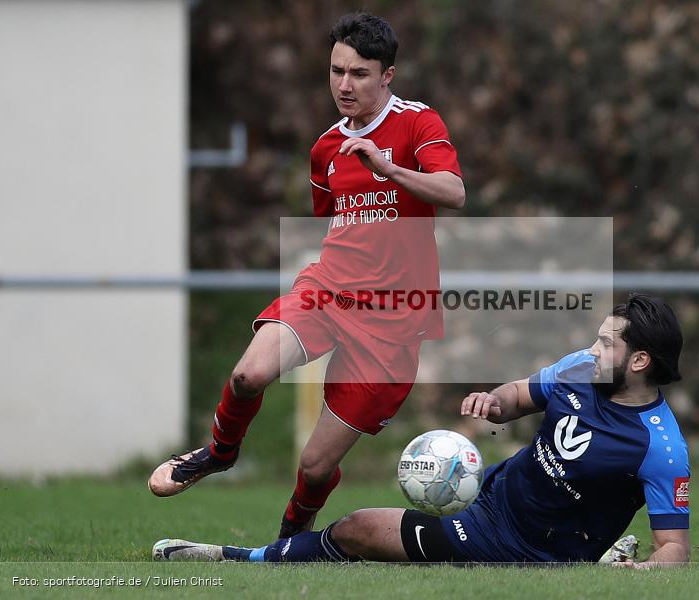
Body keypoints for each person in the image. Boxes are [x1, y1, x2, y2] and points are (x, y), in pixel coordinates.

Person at [148, 11, 465, 540]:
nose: (344, 84)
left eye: (359, 73)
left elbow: (453, 192)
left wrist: (389, 170)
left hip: (391, 324)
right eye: (337, 70)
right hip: (328, 290)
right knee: (248, 374)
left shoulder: (418, 123)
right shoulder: (325, 148)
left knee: (316, 466)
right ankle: (220, 453)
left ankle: (292, 536)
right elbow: (333, 219)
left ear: (388, 74)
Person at [153, 294, 691, 567]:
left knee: (358, 528)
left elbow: (674, 550)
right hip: (495, 493)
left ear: (640, 361)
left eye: (607, 345)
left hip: (513, 546)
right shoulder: (580, 369)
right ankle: (596, 553)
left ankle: (236, 559)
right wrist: (492, 403)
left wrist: (641, 575)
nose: (592, 350)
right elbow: (518, 398)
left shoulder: (661, 448)